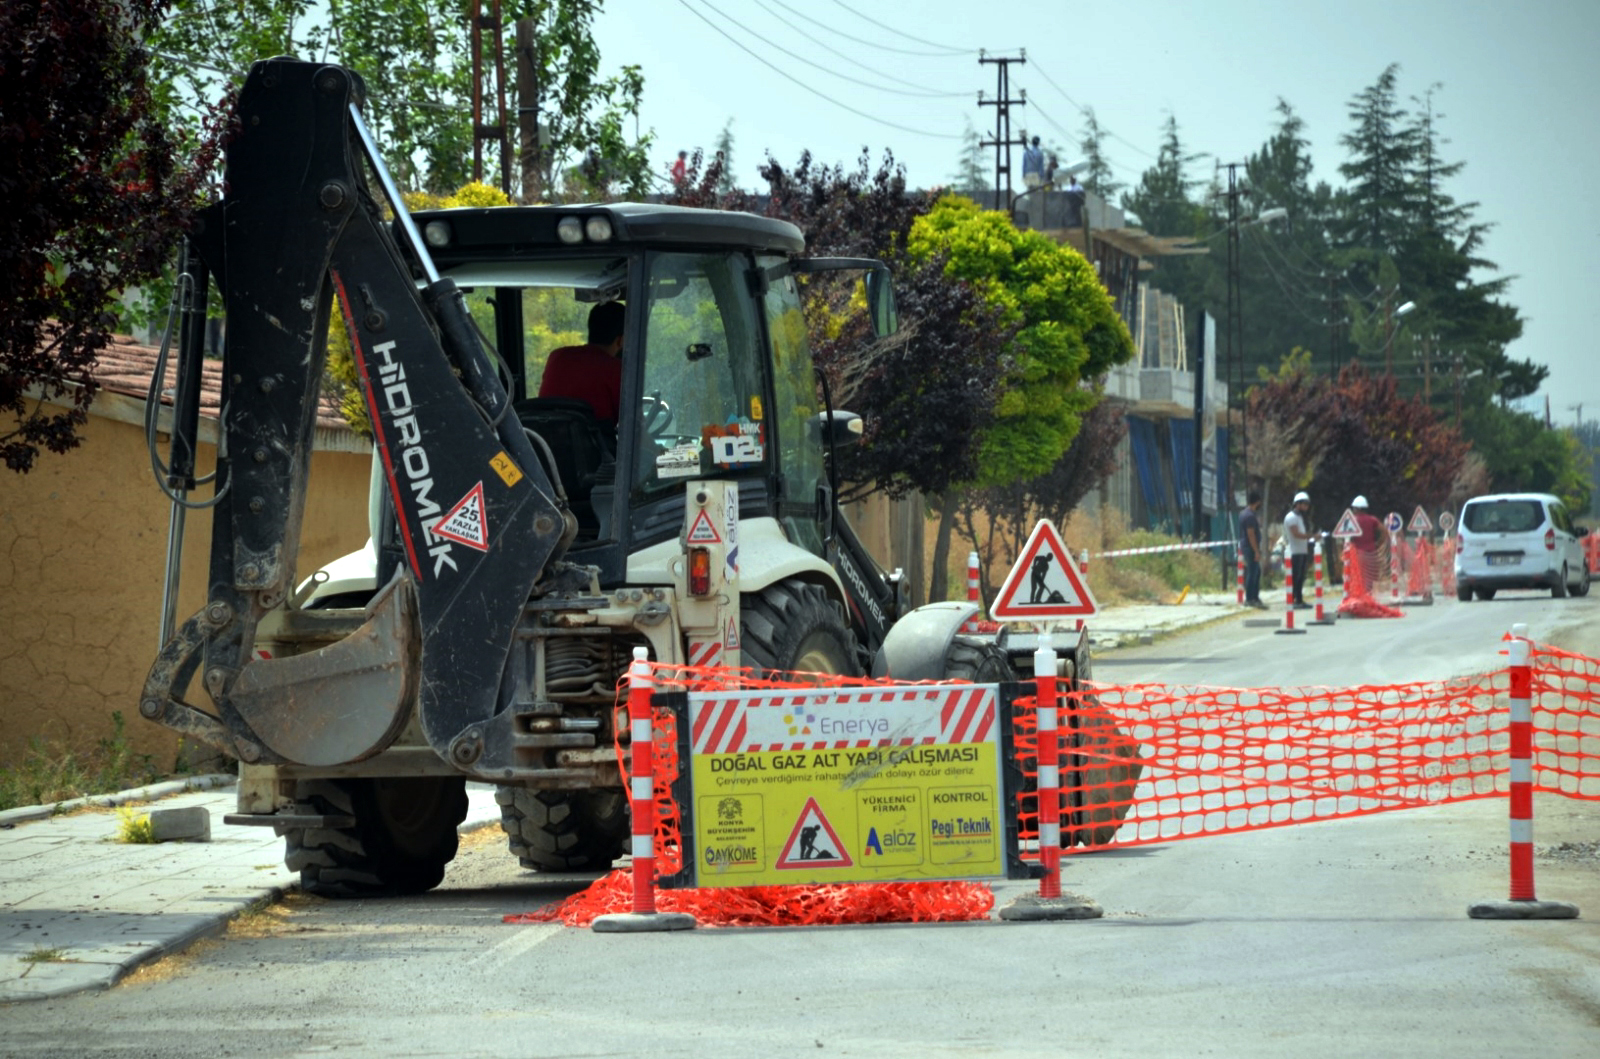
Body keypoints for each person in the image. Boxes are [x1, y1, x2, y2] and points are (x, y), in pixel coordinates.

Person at [538, 300, 625, 427]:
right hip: (594, 446)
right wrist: (657, 448)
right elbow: (635, 428)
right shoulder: (617, 370)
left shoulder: (557, 356)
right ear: (621, 340)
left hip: (543, 443)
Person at [1284, 491, 1313, 607]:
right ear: (1297, 504)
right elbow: (1296, 534)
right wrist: (1311, 536)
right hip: (1294, 552)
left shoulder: (1300, 517)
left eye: (1307, 505)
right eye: (1304, 504)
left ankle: (1299, 599)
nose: (1306, 507)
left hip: (1302, 550)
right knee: (1295, 577)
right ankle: (1294, 599)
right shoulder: (1291, 517)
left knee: (1301, 577)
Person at [1239, 491, 1267, 608]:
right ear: (1257, 502)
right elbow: (1251, 534)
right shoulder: (1250, 516)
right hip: (1250, 547)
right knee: (1253, 572)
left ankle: (1254, 597)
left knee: (1256, 571)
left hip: (1247, 546)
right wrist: (1256, 551)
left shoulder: (1243, 513)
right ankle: (1251, 598)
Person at [1350, 495, 1383, 592]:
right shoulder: (1372, 519)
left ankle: (1362, 597)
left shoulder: (1353, 520)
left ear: (1356, 508)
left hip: (1358, 553)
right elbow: (1384, 531)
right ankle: (1369, 596)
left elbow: (1349, 538)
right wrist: (1378, 543)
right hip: (1372, 552)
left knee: (1359, 577)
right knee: (1371, 578)